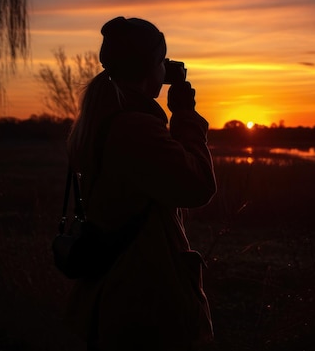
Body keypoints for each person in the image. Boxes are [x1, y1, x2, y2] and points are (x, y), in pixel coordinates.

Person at [64, 17, 217, 350]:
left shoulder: (102, 118)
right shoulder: (134, 129)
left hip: (113, 291)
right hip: (142, 301)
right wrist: (185, 115)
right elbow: (198, 185)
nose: (167, 68)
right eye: (162, 61)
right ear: (149, 69)